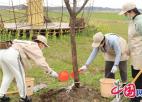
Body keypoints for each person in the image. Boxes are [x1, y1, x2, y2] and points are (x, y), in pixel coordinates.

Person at [0, 35, 58, 102]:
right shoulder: (35, 47)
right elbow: (41, 61)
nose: (44, 47)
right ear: (41, 43)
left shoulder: (28, 43)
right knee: (20, 76)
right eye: (44, 46)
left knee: (8, 75)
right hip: (11, 54)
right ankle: (24, 98)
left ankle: (1, 95)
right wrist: (51, 72)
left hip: (2, 52)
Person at [119, 2, 142, 102]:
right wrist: (128, 50)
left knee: (139, 79)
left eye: (125, 13)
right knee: (135, 76)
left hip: (140, 55)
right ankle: (137, 96)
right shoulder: (133, 21)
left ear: (131, 11)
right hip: (134, 55)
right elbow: (132, 38)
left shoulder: (140, 21)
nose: (125, 15)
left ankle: (136, 98)